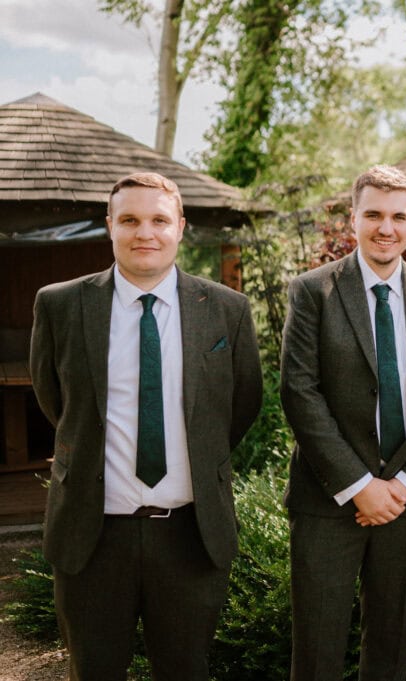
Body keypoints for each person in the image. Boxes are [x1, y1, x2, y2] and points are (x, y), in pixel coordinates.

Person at [29, 172, 262, 681]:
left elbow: (241, 406)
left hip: (189, 534)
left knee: (185, 671)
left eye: (159, 220)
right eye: (130, 220)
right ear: (110, 226)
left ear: (180, 226)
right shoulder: (61, 304)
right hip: (92, 535)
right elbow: (56, 403)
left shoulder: (227, 309)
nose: (145, 233)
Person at [280, 165, 406, 681]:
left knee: (390, 650)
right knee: (317, 652)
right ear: (354, 218)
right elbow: (299, 391)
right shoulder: (312, 291)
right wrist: (360, 486)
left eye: (398, 217)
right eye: (374, 215)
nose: (386, 227)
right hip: (328, 499)